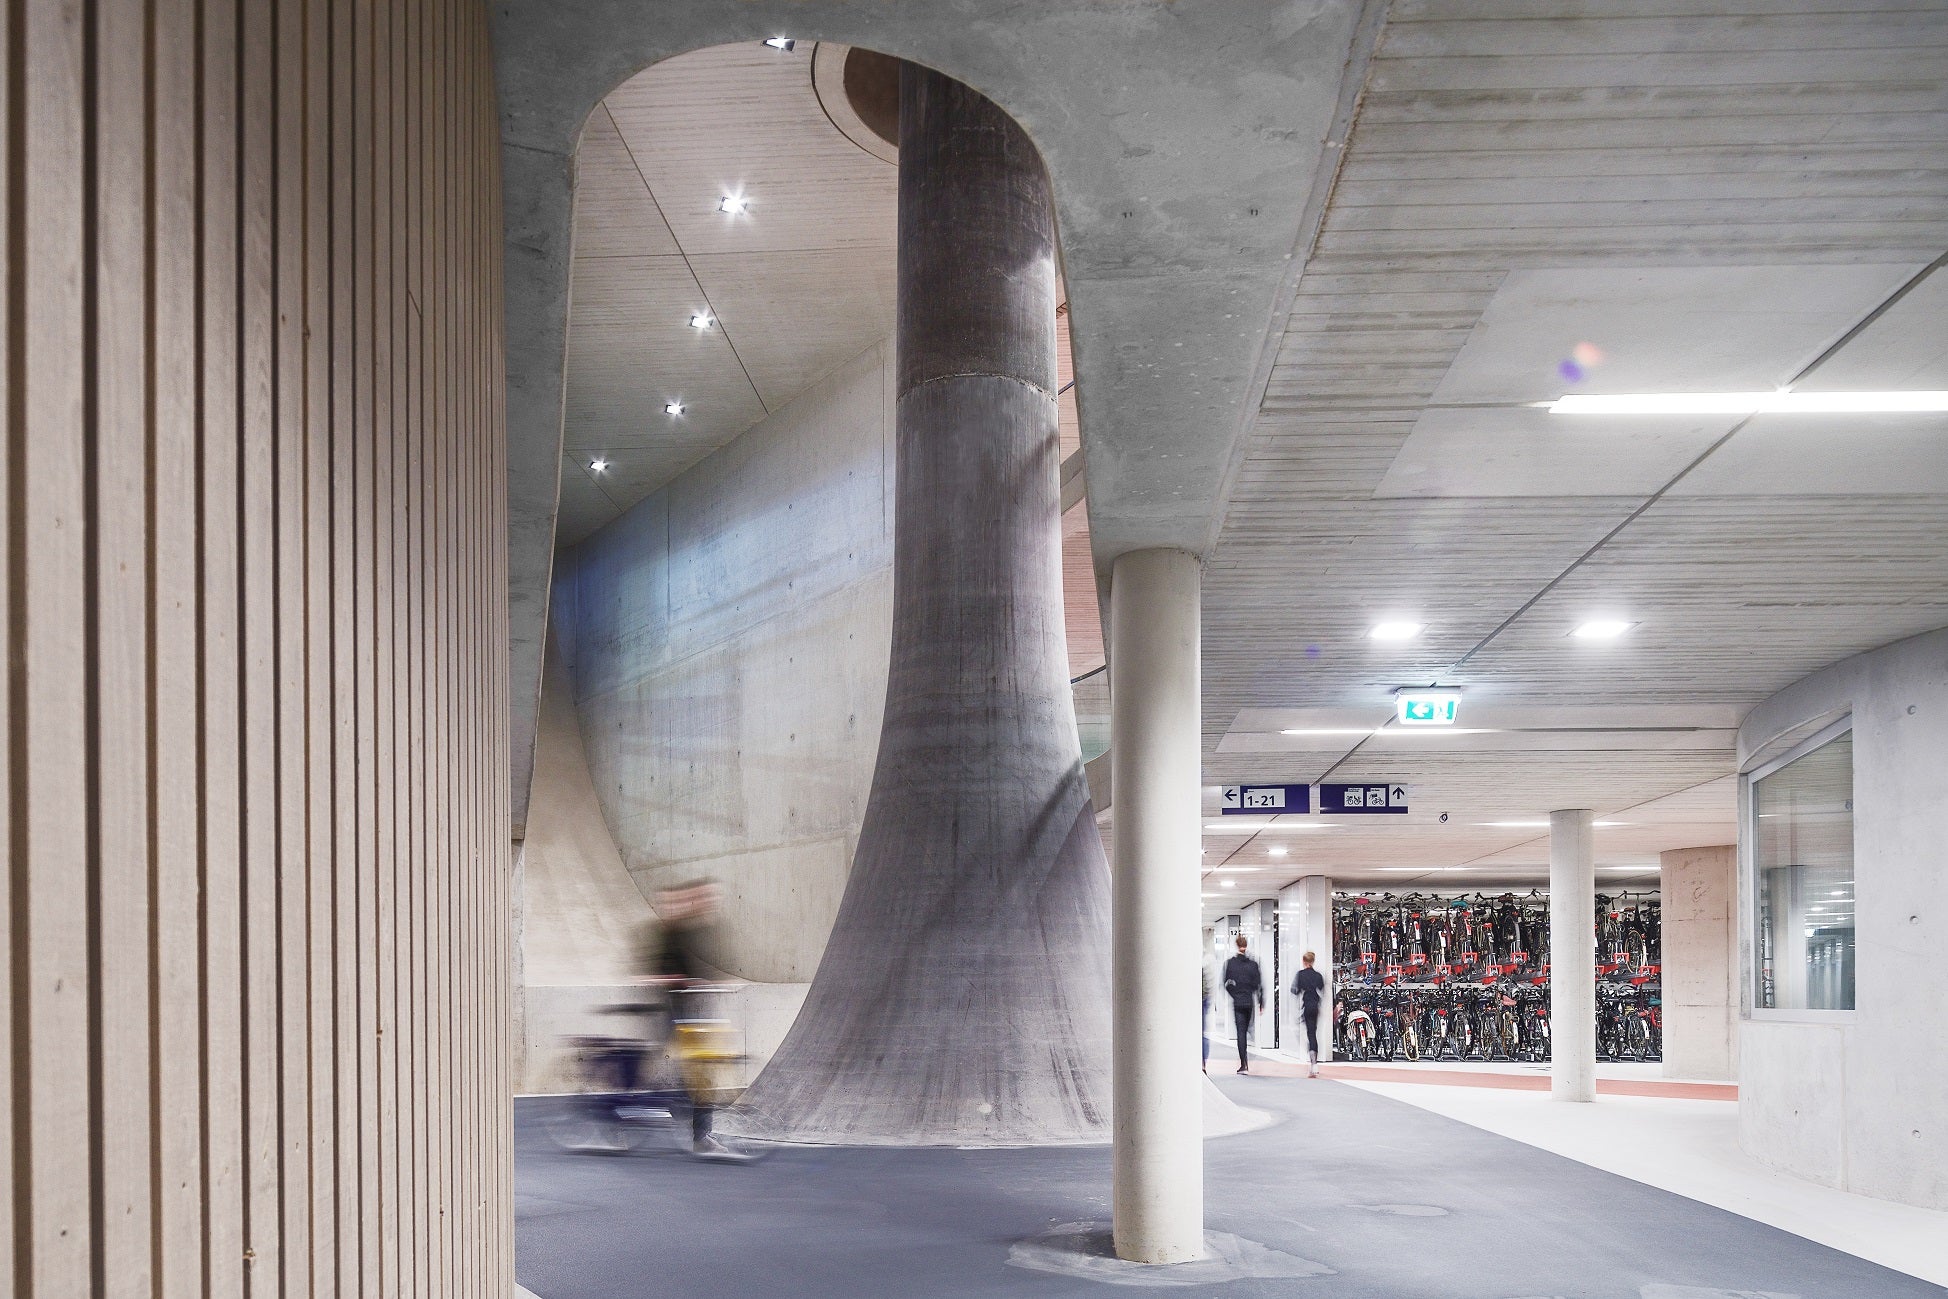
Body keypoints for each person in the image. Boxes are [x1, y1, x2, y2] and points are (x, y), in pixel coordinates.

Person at [636, 879, 740, 1158]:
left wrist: (713, 981)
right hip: (674, 1011)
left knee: (700, 1072)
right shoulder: (662, 933)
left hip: (695, 1012)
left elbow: (703, 967)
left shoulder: (697, 931)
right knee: (693, 1072)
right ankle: (693, 1127)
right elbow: (647, 972)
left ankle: (697, 1130)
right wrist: (676, 979)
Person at [1221, 934, 1264, 1075]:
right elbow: (1259, 984)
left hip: (1238, 1002)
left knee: (1240, 1032)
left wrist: (1234, 994)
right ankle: (1250, 1038)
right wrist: (1261, 1001)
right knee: (1246, 1028)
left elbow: (1226, 983)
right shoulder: (1253, 964)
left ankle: (1243, 1063)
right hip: (1249, 1001)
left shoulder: (1230, 964)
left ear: (1236, 945)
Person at [1291, 950, 1327, 1078]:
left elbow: (1295, 991)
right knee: (1313, 1033)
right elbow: (1322, 990)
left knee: (1307, 1033)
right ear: (1313, 961)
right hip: (1315, 1007)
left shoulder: (1300, 975)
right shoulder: (1318, 976)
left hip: (1306, 1006)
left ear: (1304, 961)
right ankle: (1314, 1063)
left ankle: (1311, 1058)